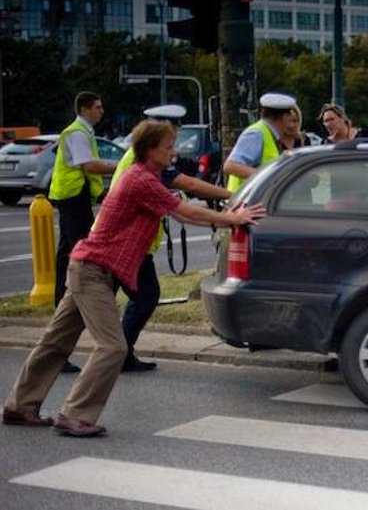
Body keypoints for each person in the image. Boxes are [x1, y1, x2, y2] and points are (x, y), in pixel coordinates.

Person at [2, 119, 265, 436]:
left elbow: (181, 208)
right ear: (150, 149)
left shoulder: (146, 177)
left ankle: (20, 406)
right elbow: (185, 211)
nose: (173, 152)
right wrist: (232, 219)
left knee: (56, 342)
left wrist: (227, 211)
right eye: (168, 147)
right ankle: (74, 414)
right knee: (113, 347)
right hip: (93, 271)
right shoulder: (140, 180)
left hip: (90, 267)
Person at [112, 104, 233, 372]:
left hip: (127, 244)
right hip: (121, 245)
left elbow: (181, 208)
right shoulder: (146, 162)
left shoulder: (140, 159)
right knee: (144, 295)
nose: (174, 149)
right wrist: (228, 197)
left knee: (132, 297)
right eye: (170, 141)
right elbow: (187, 187)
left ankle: (117, 352)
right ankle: (117, 354)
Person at [49, 91, 118, 374]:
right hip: (73, 198)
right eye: (98, 107)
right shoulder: (77, 132)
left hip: (76, 198)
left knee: (69, 256)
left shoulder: (82, 131)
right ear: (86, 108)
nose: (102, 111)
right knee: (76, 257)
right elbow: (88, 165)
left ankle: (66, 302)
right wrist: (120, 167)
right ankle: (70, 304)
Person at [223, 92, 297, 192]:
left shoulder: (268, 134)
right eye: (290, 117)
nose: (291, 124)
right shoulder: (257, 134)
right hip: (244, 203)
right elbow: (230, 166)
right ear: (284, 117)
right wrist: (268, 176)